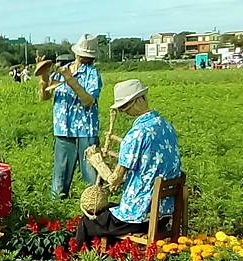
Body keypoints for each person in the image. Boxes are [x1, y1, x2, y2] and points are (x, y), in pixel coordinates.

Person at [74, 79, 182, 248]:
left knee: (88, 221)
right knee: (108, 210)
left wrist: (97, 162)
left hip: (140, 216)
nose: (124, 112)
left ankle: (74, 260)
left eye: (125, 106)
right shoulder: (166, 126)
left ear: (138, 101)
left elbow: (114, 181)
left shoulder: (136, 135)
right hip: (164, 213)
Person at [38, 34, 103, 198]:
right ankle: (58, 210)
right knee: (59, 178)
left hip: (86, 131)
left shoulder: (92, 74)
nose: (83, 58)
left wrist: (71, 80)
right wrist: (44, 77)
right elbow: (44, 97)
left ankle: (95, 209)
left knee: (91, 177)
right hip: (63, 130)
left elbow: (88, 100)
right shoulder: (61, 71)